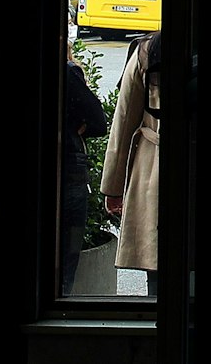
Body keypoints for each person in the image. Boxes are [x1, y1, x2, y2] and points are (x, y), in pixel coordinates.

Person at [102, 32, 162, 294]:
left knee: (157, 255)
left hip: (154, 168)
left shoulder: (147, 51)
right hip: (205, 169)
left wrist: (113, 188)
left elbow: (124, 121)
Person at [60, 37, 107, 295]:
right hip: (69, 170)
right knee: (66, 259)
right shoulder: (69, 74)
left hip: (63, 170)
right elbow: (98, 121)